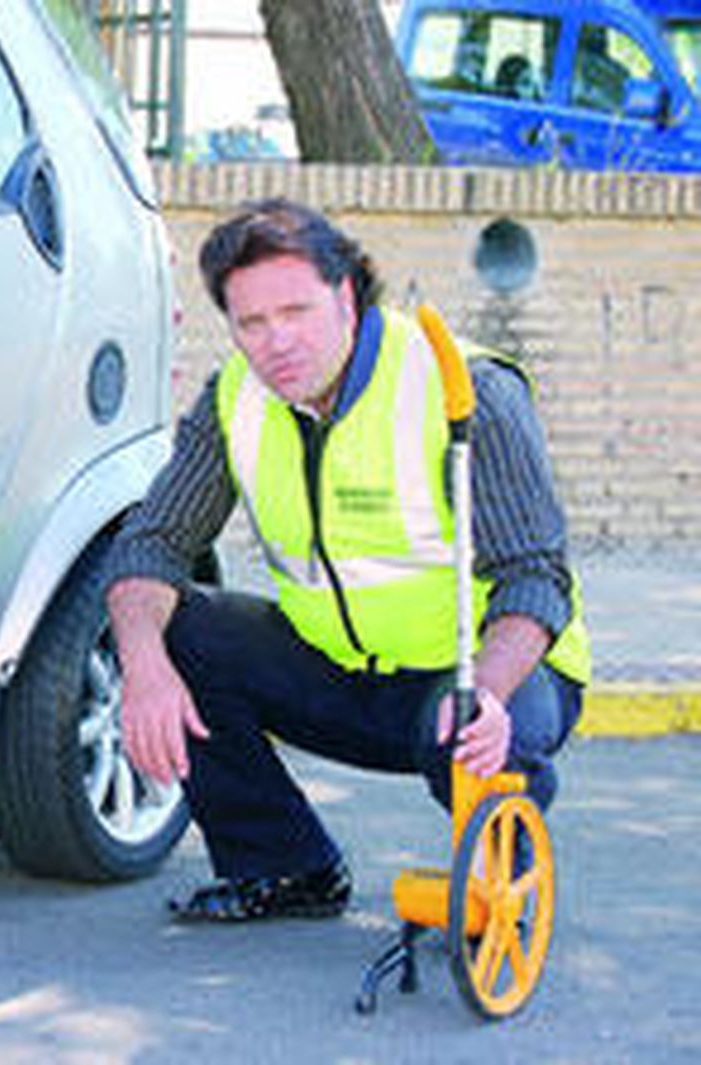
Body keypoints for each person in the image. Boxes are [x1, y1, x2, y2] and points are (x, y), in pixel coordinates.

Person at [104, 198, 589, 923]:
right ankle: (285, 869)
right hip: (342, 673)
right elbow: (152, 543)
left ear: (346, 295)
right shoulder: (235, 398)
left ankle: (497, 887)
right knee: (175, 626)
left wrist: (486, 688)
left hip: (480, 677)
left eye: (296, 312)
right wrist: (142, 665)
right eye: (252, 324)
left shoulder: (466, 389)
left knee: (471, 723)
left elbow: (534, 575)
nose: (277, 343)